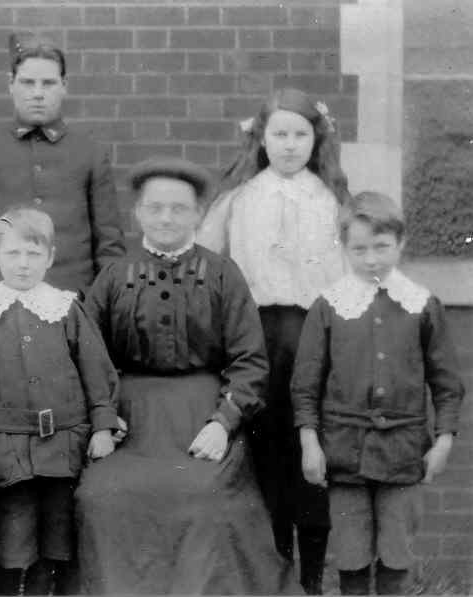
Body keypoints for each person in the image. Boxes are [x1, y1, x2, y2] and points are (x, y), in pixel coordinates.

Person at [75, 156, 299, 595]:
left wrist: (223, 423)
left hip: (201, 415)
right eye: (155, 207)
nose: (166, 218)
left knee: (204, 495)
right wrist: (103, 417)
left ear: (198, 214)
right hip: (131, 421)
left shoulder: (222, 274)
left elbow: (250, 361)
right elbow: (87, 355)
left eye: (178, 208)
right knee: (100, 495)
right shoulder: (114, 276)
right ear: (138, 213)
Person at [197, 87, 350, 594]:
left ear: (316, 139)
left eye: (299, 134)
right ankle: (275, 573)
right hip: (256, 338)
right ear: (261, 138)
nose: (288, 144)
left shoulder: (330, 199)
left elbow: (350, 275)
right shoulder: (241, 197)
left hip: (314, 336)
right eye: (279, 134)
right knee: (268, 454)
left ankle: (311, 579)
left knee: (312, 448)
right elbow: (207, 261)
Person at [0, 206, 120, 595]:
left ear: (50, 257)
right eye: (13, 253)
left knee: (59, 543)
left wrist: (103, 426)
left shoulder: (67, 310)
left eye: (34, 254)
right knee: (12, 542)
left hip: (65, 449)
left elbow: (97, 373)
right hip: (8, 453)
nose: (23, 264)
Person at [292, 192, 464, 595]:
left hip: (404, 452)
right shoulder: (328, 306)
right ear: (345, 248)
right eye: (360, 249)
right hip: (344, 451)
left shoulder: (422, 305)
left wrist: (443, 441)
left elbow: (446, 384)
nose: (371, 259)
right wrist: (309, 443)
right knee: (350, 552)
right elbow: (305, 385)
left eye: (382, 247)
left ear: (401, 243)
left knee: (396, 551)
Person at [0, 32, 125, 295]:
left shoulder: (90, 154)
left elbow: (109, 247)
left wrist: (102, 306)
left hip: (72, 302)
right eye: (28, 83)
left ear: (64, 85)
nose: (38, 93)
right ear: (11, 84)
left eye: (48, 83)